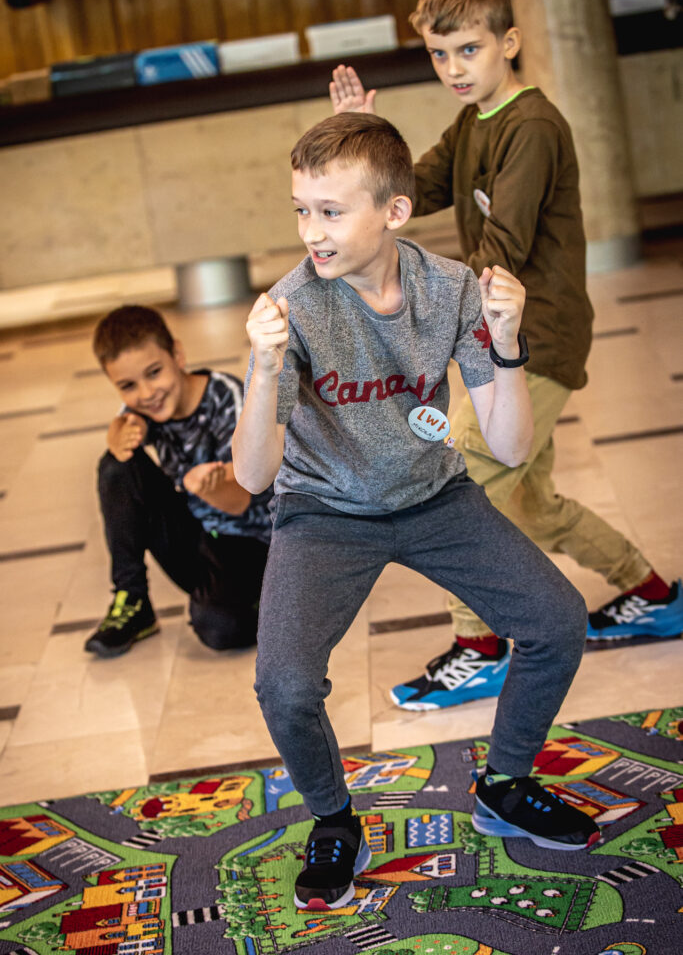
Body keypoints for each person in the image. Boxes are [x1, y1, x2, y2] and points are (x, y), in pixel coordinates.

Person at [232, 112, 600, 912]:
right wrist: (262, 371)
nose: (311, 231)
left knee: (557, 620)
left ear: (393, 213)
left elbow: (505, 447)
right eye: (301, 209)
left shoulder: (451, 290)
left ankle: (503, 783)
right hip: (322, 512)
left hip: (436, 497)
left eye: (331, 211)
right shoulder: (293, 308)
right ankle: (334, 820)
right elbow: (254, 477)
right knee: (284, 685)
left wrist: (504, 342)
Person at [329, 0, 682, 713]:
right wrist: (363, 140)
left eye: (467, 50)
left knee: (457, 481)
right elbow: (410, 190)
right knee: (530, 500)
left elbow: (502, 245)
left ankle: (479, 647)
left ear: (508, 42)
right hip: (503, 329)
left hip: (535, 334)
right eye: (438, 54)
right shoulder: (473, 124)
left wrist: (416, 314)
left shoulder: (532, 126)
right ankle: (651, 594)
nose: (453, 68)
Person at [85, 304, 272, 658]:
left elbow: (244, 498)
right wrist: (117, 436)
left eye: (154, 373)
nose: (146, 393)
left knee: (218, 629)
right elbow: (121, 431)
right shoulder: (144, 409)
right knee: (116, 466)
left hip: (251, 543)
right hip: (199, 538)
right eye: (127, 385)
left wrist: (209, 487)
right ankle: (133, 599)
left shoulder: (227, 399)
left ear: (178, 354)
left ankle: (270, 606)